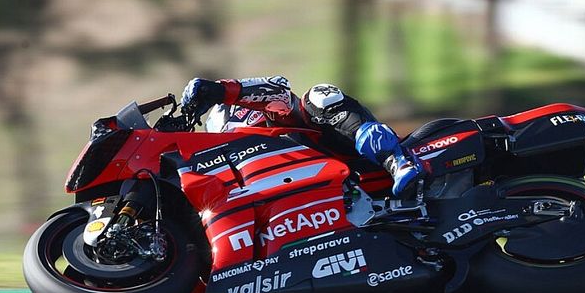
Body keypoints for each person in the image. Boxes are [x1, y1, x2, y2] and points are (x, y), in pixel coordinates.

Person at [180, 75, 421, 197]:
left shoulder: (286, 118)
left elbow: (280, 90)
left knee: (319, 98)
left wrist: (222, 90)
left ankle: (398, 162)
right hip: (326, 208)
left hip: (359, 165)